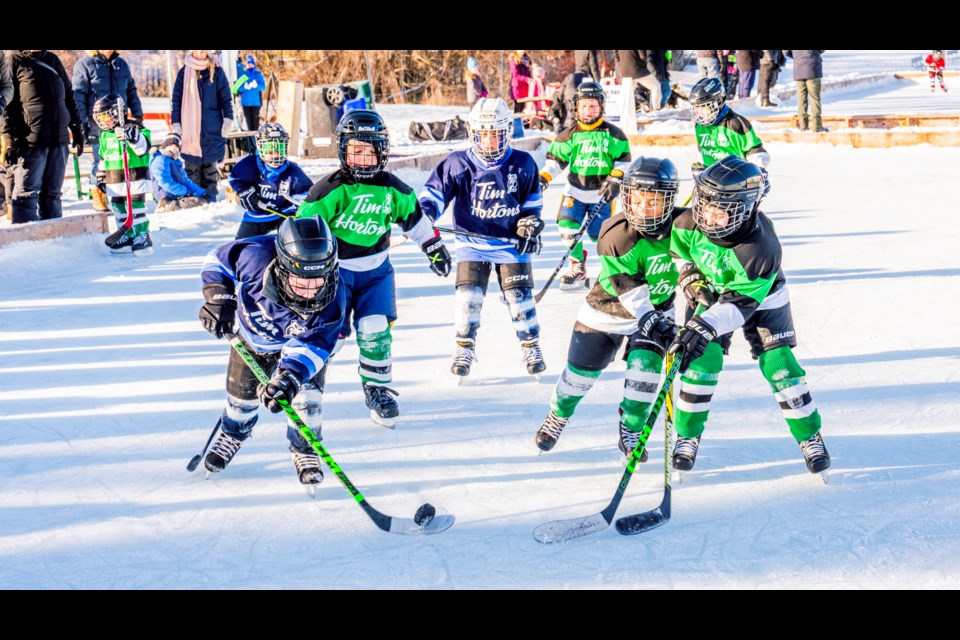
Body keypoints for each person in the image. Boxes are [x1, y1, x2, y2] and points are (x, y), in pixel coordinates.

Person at [666, 155, 829, 475]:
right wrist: (690, 279)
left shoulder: (761, 248)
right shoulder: (689, 222)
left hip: (760, 298)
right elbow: (679, 254)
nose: (708, 216)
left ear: (743, 209)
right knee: (701, 361)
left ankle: (809, 436)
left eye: (720, 209)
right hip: (713, 291)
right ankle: (687, 435)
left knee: (779, 365)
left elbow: (739, 304)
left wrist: (703, 325)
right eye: (705, 205)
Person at [297, 109, 450, 427]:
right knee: (330, 335)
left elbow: (414, 219)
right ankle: (306, 376)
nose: (364, 159)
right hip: (333, 274)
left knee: (375, 329)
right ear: (343, 151)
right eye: (356, 151)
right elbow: (302, 232)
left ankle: (376, 388)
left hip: (376, 272)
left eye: (371, 151)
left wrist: (433, 246)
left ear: (382, 152)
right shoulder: (328, 190)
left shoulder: (393, 188)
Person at [535, 157, 681, 461]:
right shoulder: (615, 233)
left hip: (657, 314)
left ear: (669, 201)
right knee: (578, 378)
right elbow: (629, 289)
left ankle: (630, 430)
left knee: (646, 373)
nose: (642, 209)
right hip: (607, 313)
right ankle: (559, 415)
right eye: (635, 200)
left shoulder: (684, 228)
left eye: (652, 201)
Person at [198, 216, 345, 488]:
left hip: (300, 346)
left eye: (318, 281)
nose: (311, 292)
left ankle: (305, 450)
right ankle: (233, 433)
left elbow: (315, 345)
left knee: (307, 402)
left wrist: (289, 378)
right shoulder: (255, 256)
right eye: (301, 281)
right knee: (240, 402)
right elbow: (217, 260)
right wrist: (218, 297)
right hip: (253, 341)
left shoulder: (334, 298)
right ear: (283, 266)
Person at [418, 97, 545, 380]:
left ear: (507, 132)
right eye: (483, 134)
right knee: (468, 298)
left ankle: (531, 346)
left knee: (520, 300)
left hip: (509, 244)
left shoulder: (522, 163)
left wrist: (529, 225)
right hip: (471, 244)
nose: (489, 141)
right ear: (473, 132)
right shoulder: (457, 163)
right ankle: (464, 348)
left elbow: (532, 206)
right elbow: (433, 196)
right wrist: (426, 214)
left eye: (496, 134)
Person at [539, 81, 632, 290]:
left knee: (602, 236)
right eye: (583, 105)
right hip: (574, 191)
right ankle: (577, 265)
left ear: (601, 106)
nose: (588, 110)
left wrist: (616, 179)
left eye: (593, 105)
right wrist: (543, 177)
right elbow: (555, 161)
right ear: (576, 107)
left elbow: (624, 161)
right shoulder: (569, 134)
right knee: (566, 227)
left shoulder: (614, 134)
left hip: (602, 194)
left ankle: (610, 270)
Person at [0, 50, 84, 225]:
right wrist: (8, 138)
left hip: (59, 138)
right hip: (31, 140)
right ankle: (26, 242)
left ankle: (52, 239)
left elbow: (69, 95)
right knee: (26, 195)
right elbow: (7, 105)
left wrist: (76, 127)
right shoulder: (14, 61)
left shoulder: (52, 59)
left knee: (52, 194)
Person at [72, 50, 143, 213]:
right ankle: (98, 193)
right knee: (100, 160)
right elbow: (78, 95)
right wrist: (82, 122)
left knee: (119, 158)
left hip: (120, 120)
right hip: (97, 122)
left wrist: (137, 112)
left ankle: (120, 194)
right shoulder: (85, 65)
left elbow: (131, 89)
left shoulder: (121, 64)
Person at [93, 94, 153, 254]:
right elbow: (102, 158)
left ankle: (142, 235)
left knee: (135, 209)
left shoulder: (136, 128)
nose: (103, 121)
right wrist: (100, 178)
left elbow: (143, 148)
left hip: (134, 177)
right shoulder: (105, 135)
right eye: (100, 117)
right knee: (118, 208)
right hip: (114, 179)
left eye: (106, 116)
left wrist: (131, 136)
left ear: (117, 112)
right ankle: (127, 234)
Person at [230, 123, 312, 239]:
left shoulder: (293, 171)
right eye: (270, 151)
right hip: (255, 217)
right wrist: (243, 190)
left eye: (279, 150)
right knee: (240, 248)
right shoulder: (249, 165)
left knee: (295, 245)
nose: (275, 155)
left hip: (284, 216)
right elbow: (234, 177)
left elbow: (307, 196)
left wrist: (302, 213)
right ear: (260, 147)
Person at [688, 77, 770, 191]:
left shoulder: (736, 123)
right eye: (696, 108)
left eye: (704, 107)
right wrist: (700, 166)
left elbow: (755, 150)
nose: (699, 112)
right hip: (711, 181)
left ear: (718, 102)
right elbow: (703, 150)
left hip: (735, 180)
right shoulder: (700, 126)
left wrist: (759, 170)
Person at [171, 50, 233, 200]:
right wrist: (176, 122)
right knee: (191, 170)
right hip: (189, 130)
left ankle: (210, 201)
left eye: (203, 50)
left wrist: (228, 119)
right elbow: (176, 100)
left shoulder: (216, 71)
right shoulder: (184, 72)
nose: (199, 53)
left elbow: (226, 98)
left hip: (212, 127)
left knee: (210, 170)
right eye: (196, 50)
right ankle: (195, 202)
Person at [150, 132, 209, 212]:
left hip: (177, 194)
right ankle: (166, 206)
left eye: (176, 148)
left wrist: (201, 193)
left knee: (203, 200)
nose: (173, 150)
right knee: (199, 202)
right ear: (164, 147)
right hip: (166, 196)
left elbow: (185, 181)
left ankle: (173, 204)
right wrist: (186, 192)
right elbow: (166, 183)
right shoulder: (160, 160)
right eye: (170, 147)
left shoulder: (176, 162)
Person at [784, 50, 825, 132]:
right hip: (813, 67)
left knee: (801, 98)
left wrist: (797, 56)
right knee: (814, 98)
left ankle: (803, 125)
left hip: (799, 67)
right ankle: (817, 125)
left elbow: (785, 52)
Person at [236, 54, 266, 131]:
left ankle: (255, 140)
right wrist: (244, 87)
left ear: (254, 65)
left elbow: (263, 87)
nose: (250, 65)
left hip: (255, 103)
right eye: (248, 64)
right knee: (249, 123)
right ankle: (251, 140)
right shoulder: (243, 75)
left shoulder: (258, 74)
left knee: (255, 124)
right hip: (246, 103)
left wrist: (257, 86)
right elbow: (238, 87)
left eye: (251, 64)